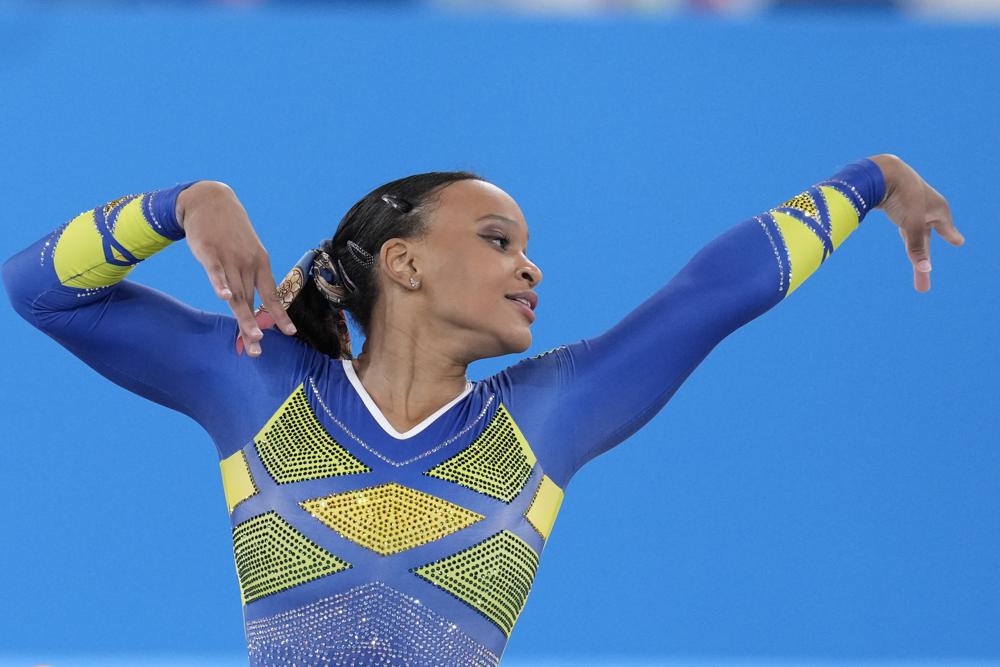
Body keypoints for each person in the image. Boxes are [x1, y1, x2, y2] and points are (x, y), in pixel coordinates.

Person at [3, 154, 962, 666]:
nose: (530, 265)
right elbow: (39, 289)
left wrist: (870, 180)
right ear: (404, 262)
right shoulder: (259, 386)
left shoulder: (547, 417)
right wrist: (180, 204)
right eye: (499, 240)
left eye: (527, 246)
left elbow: (713, 293)